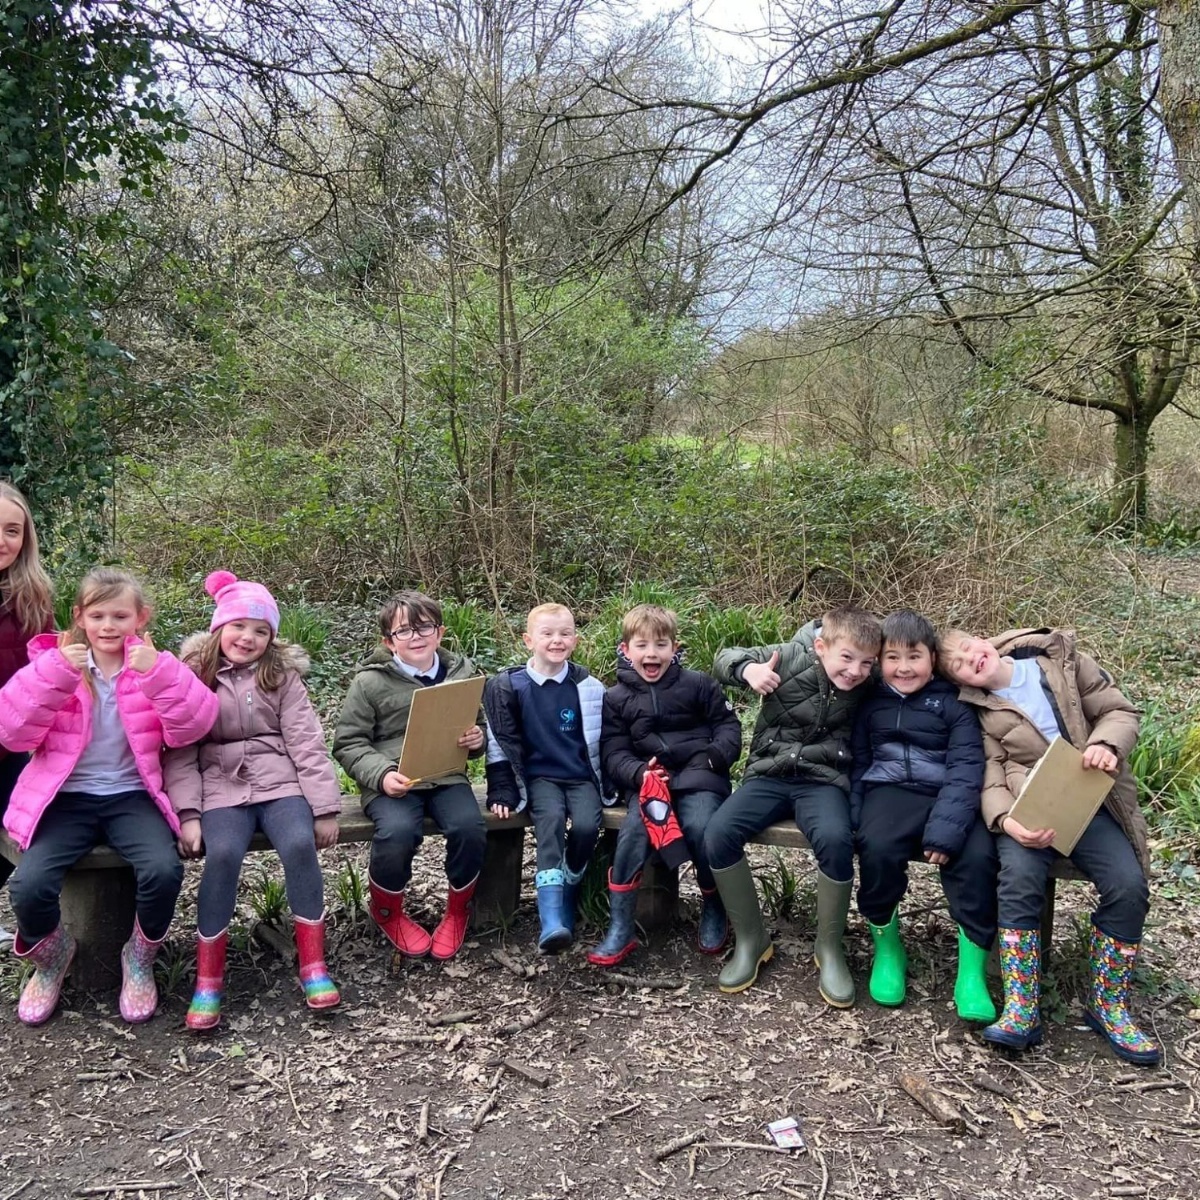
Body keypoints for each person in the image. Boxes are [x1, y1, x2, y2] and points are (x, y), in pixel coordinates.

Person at [0, 567, 218, 1025]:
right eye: (97, 615)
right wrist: (56, 675)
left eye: (120, 615)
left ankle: (138, 957)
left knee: (162, 869)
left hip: (131, 795)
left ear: (140, 618)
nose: (108, 626)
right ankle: (52, 958)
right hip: (67, 797)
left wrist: (158, 674)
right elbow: (13, 731)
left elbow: (195, 725)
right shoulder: (52, 663)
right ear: (79, 616)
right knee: (28, 885)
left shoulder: (154, 666)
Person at [940, 626, 1159, 1066]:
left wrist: (1105, 743)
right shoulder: (979, 710)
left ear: (985, 640)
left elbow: (1118, 710)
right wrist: (1007, 820)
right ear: (961, 682)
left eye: (969, 649)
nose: (970, 661)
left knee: (1128, 886)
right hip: (1031, 807)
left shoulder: (1061, 664)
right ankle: (1022, 1003)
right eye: (959, 667)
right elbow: (991, 771)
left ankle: (1108, 1002)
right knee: (1018, 878)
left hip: (1092, 799)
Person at [167, 571, 342, 1031]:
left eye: (261, 631)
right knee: (222, 853)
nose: (248, 637)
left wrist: (324, 808)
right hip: (220, 788)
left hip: (279, 783)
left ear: (271, 639)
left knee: (299, 845)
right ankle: (208, 979)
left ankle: (313, 965)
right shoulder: (193, 674)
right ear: (219, 627)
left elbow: (306, 742)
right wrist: (188, 814)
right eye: (239, 626)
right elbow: (180, 751)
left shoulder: (280, 677)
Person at [706, 607, 881, 1000]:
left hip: (823, 781)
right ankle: (752, 940)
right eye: (847, 658)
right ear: (821, 646)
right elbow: (723, 658)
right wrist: (747, 671)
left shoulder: (869, 678)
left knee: (837, 840)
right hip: (769, 774)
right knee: (718, 833)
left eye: (866, 663)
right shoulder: (789, 655)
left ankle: (829, 947)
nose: (855, 671)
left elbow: (915, 666)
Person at [849, 610, 996, 1021]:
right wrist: (855, 813)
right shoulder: (871, 701)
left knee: (978, 857)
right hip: (888, 791)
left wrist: (944, 831)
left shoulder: (955, 702)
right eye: (892, 657)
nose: (903, 667)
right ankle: (889, 950)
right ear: (880, 662)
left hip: (947, 794)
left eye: (913, 656)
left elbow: (967, 767)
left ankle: (971, 973)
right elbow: (860, 761)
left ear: (932, 658)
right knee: (875, 848)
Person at [333, 590, 486, 961]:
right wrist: (382, 774)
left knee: (469, 827)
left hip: (446, 774)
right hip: (391, 782)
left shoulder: (461, 674)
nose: (416, 637)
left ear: (440, 632)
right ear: (389, 641)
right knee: (398, 832)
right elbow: (348, 742)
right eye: (404, 631)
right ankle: (388, 912)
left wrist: (477, 739)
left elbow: (477, 727)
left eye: (424, 627)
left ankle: (457, 910)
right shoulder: (370, 683)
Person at [587, 604, 742, 966]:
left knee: (703, 826)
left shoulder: (700, 685)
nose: (651, 653)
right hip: (649, 783)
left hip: (699, 776)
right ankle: (621, 926)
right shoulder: (616, 698)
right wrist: (640, 773)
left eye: (660, 645)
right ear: (626, 651)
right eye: (642, 646)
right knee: (634, 833)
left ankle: (714, 903)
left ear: (675, 648)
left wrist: (712, 758)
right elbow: (613, 750)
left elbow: (728, 728)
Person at [484, 603, 608, 952]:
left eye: (565, 633)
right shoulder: (510, 686)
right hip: (539, 779)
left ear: (576, 640)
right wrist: (503, 790)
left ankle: (568, 886)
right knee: (550, 822)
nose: (557, 640)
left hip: (582, 775)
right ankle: (551, 918)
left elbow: (607, 738)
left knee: (586, 825)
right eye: (548, 634)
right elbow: (499, 743)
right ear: (528, 640)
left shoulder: (588, 686)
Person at [0, 482, 55, 950]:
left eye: (12, 530)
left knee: (13, 832)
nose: (3, 540)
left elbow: (47, 670)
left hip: (16, 743)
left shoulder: (32, 595)